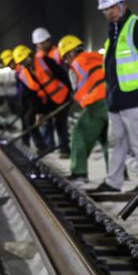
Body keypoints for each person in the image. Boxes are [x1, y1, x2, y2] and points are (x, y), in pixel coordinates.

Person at [92, 0, 138, 192]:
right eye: (105, 10)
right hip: (116, 98)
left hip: (134, 96)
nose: (108, 13)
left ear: (123, 4)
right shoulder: (113, 32)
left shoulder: (134, 26)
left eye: (111, 8)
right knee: (116, 142)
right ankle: (114, 182)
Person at [57, 34, 108, 184]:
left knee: (79, 133)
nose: (66, 61)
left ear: (72, 52)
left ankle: (79, 173)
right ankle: (118, 173)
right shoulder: (97, 56)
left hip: (96, 103)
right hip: (112, 99)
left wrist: (79, 98)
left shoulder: (74, 66)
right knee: (106, 138)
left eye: (66, 57)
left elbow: (79, 89)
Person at [11, 44, 71, 157]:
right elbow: (32, 96)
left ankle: (65, 150)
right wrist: (38, 112)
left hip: (61, 96)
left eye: (25, 59)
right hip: (46, 102)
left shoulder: (45, 61)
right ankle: (42, 147)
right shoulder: (24, 75)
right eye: (22, 62)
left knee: (60, 123)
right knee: (29, 119)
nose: (25, 63)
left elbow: (62, 75)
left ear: (30, 55)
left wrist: (70, 92)